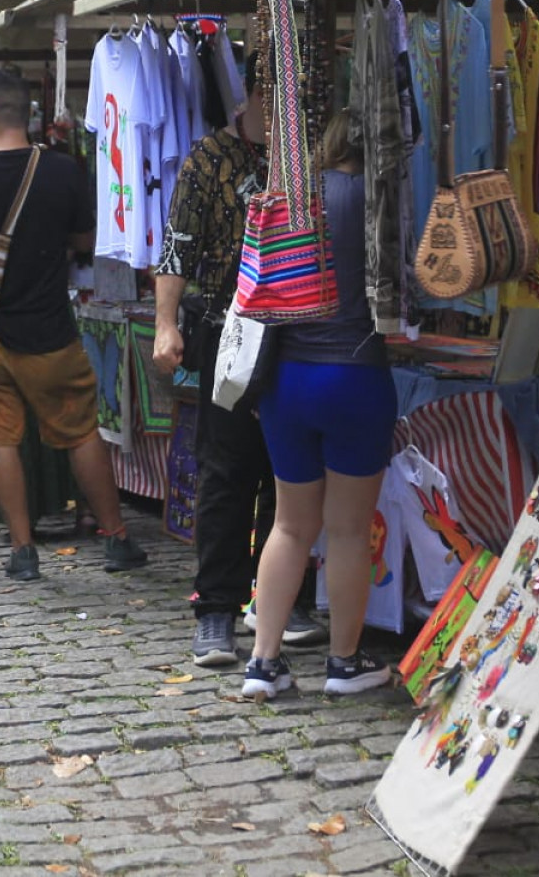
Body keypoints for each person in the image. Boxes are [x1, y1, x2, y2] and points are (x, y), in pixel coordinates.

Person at [0, 67, 149, 581]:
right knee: (81, 433)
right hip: (50, 331)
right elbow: (88, 241)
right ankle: (116, 538)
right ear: (28, 113)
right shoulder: (64, 170)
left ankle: (22, 551)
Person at [154, 59, 326, 667]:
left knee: (292, 471)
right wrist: (166, 323)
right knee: (226, 470)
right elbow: (176, 245)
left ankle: (283, 600)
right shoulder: (210, 158)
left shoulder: (306, 160)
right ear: (259, 90)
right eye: (282, 95)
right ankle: (217, 610)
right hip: (228, 332)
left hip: (298, 332)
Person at [241, 111, 395, 699]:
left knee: (288, 524)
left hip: (287, 381)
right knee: (349, 530)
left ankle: (263, 662)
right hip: (355, 376)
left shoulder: (289, 199)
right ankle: (343, 662)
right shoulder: (379, 202)